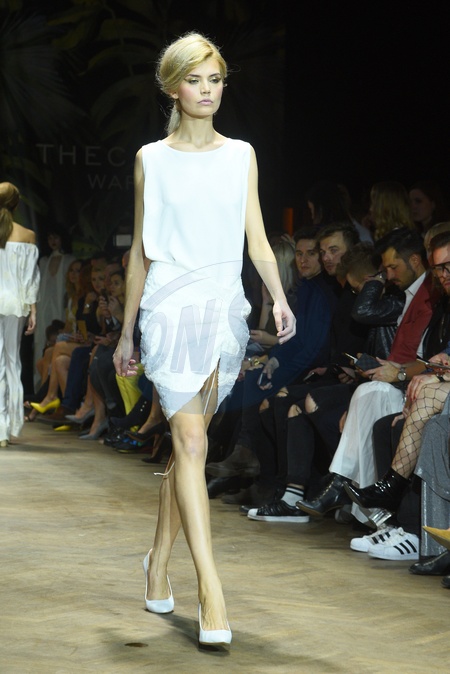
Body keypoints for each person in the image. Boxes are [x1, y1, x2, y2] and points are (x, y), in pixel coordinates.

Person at [112, 32, 295, 648]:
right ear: (173, 87)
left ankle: (158, 559)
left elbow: (257, 238)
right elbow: (140, 252)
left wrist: (279, 296)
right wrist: (127, 331)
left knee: (187, 450)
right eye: (194, 80)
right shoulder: (151, 158)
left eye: (215, 79)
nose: (207, 90)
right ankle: (211, 590)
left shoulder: (241, 155)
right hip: (168, 306)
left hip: (222, 310)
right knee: (191, 440)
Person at [0, 182, 40, 446]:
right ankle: (10, 426)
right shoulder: (27, 235)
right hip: (14, 304)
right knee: (12, 361)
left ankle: (1, 428)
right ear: (16, 204)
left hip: (10, 303)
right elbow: (30, 279)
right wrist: (33, 309)